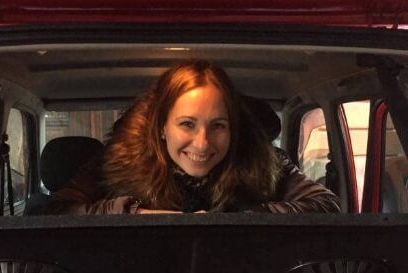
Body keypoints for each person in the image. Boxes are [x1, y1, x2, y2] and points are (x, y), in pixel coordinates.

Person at [46, 59, 341, 215]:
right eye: (187, 124)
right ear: (162, 127)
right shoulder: (116, 163)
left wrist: (242, 217)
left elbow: (326, 205)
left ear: (233, 128)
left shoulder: (262, 161)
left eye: (218, 126)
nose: (202, 143)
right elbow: (56, 211)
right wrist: (134, 214)